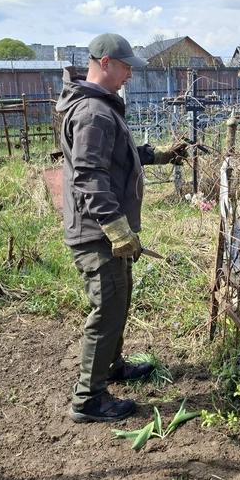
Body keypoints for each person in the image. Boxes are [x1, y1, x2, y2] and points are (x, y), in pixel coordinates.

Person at [56, 33, 187, 423]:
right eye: (127, 65)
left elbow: (115, 158)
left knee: (119, 301)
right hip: (97, 233)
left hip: (103, 230)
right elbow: (90, 175)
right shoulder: (93, 113)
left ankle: (111, 368)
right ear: (107, 62)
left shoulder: (100, 108)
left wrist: (158, 155)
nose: (131, 73)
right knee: (108, 308)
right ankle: (88, 400)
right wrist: (116, 229)